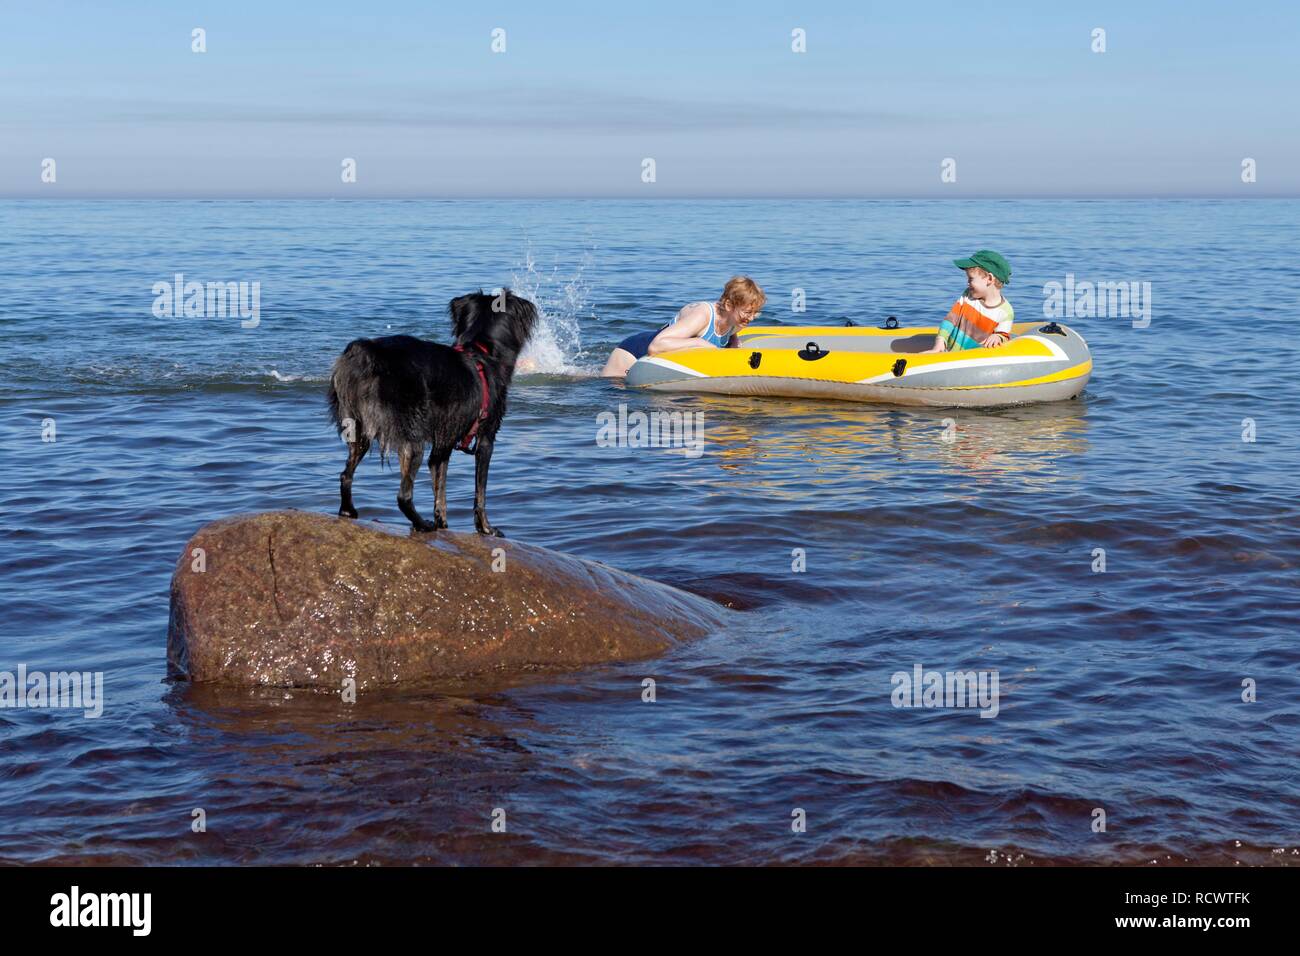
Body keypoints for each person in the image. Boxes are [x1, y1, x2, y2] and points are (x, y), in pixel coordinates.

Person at [601, 276, 766, 377]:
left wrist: (734, 345)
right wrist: (700, 344)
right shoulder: (703, 315)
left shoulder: (737, 320)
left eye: (755, 313)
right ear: (729, 305)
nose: (751, 318)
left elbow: (729, 335)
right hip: (632, 355)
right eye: (747, 312)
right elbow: (656, 346)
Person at [923, 251, 1014, 353]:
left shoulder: (1006, 311)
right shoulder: (968, 296)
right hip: (949, 355)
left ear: (989, 278)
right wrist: (940, 342)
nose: (967, 283)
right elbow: (950, 320)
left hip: (972, 360)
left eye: (971, 279)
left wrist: (998, 336)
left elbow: (1004, 335)